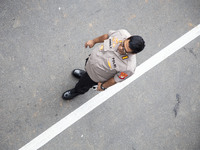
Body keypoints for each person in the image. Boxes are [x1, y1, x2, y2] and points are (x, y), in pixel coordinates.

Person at [62, 29, 145, 100]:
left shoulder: (128, 68)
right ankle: (85, 74)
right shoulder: (122, 33)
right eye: (123, 44)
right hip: (91, 61)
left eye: (125, 50)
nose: (120, 48)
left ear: (133, 53)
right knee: (86, 73)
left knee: (84, 84)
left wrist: (103, 86)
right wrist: (93, 41)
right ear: (128, 38)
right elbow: (106, 36)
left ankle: (77, 91)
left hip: (95, 77)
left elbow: (114, 79)